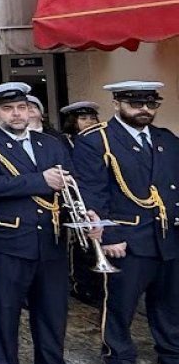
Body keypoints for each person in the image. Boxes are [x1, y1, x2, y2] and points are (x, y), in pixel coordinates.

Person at [0, 82, 103, 364]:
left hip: (52, 239)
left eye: (23, 108)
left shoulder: (50, 144)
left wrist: (89, 214)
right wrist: (40, 181)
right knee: (6, 309)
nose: (18, 114)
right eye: (9, 109)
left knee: (53, 310)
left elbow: (72, 182)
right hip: (9, 240)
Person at [71, 81, 179, 364]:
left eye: (151, 104)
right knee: (121, 302)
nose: (144, 110)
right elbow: (92, 192)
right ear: (117, 104)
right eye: (136, 104)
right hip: (127, 236)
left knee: (170, 300)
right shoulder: (97, 140)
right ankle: (119, 356)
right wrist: (109, 234)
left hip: (168, 233)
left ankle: (171, 353)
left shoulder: (166, 139)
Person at [60, 101, 104, 307]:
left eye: (92, 118)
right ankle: (80, 284)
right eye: (83, 118)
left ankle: (97, 283)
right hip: (72, 196)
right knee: (78, 242)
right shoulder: (65, 141)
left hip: (94, 194)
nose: (89, 122)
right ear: (73, 121)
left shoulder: (100, 140)